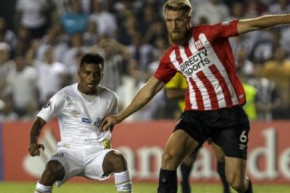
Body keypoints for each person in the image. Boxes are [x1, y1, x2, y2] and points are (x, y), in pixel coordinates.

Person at [100, 0, 290, 193]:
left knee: (237, 182)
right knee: (169, 156)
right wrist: (120, 116)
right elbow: (150, 89)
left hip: (229, 114)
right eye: (169, 20)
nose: (173, 26)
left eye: (178, 20)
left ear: (188, 20)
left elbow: (254, 23)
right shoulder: (170, 57)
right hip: (196, 115)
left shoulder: (209, 34)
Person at [28, 53, 133, 193]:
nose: (91, 78)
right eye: (87, 73)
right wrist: (33, 142)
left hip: (97, 153)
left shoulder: (110, 98)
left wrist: (104, 141)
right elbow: (38, 122)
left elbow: (110, 124)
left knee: (118, 160)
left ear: (102, 75)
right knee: (50, 171)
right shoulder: (64, 95)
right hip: (69, 152)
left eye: (96, 74)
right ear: (79, 73)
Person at [165, 72, 230, 193]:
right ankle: (185, 188)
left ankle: (226, 190)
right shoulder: (178, 69)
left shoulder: (208, 66)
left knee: (221, 154)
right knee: (188, 156)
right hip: (191, 115)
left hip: (214, 112)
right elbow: (171, 93)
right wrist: (197, 89)